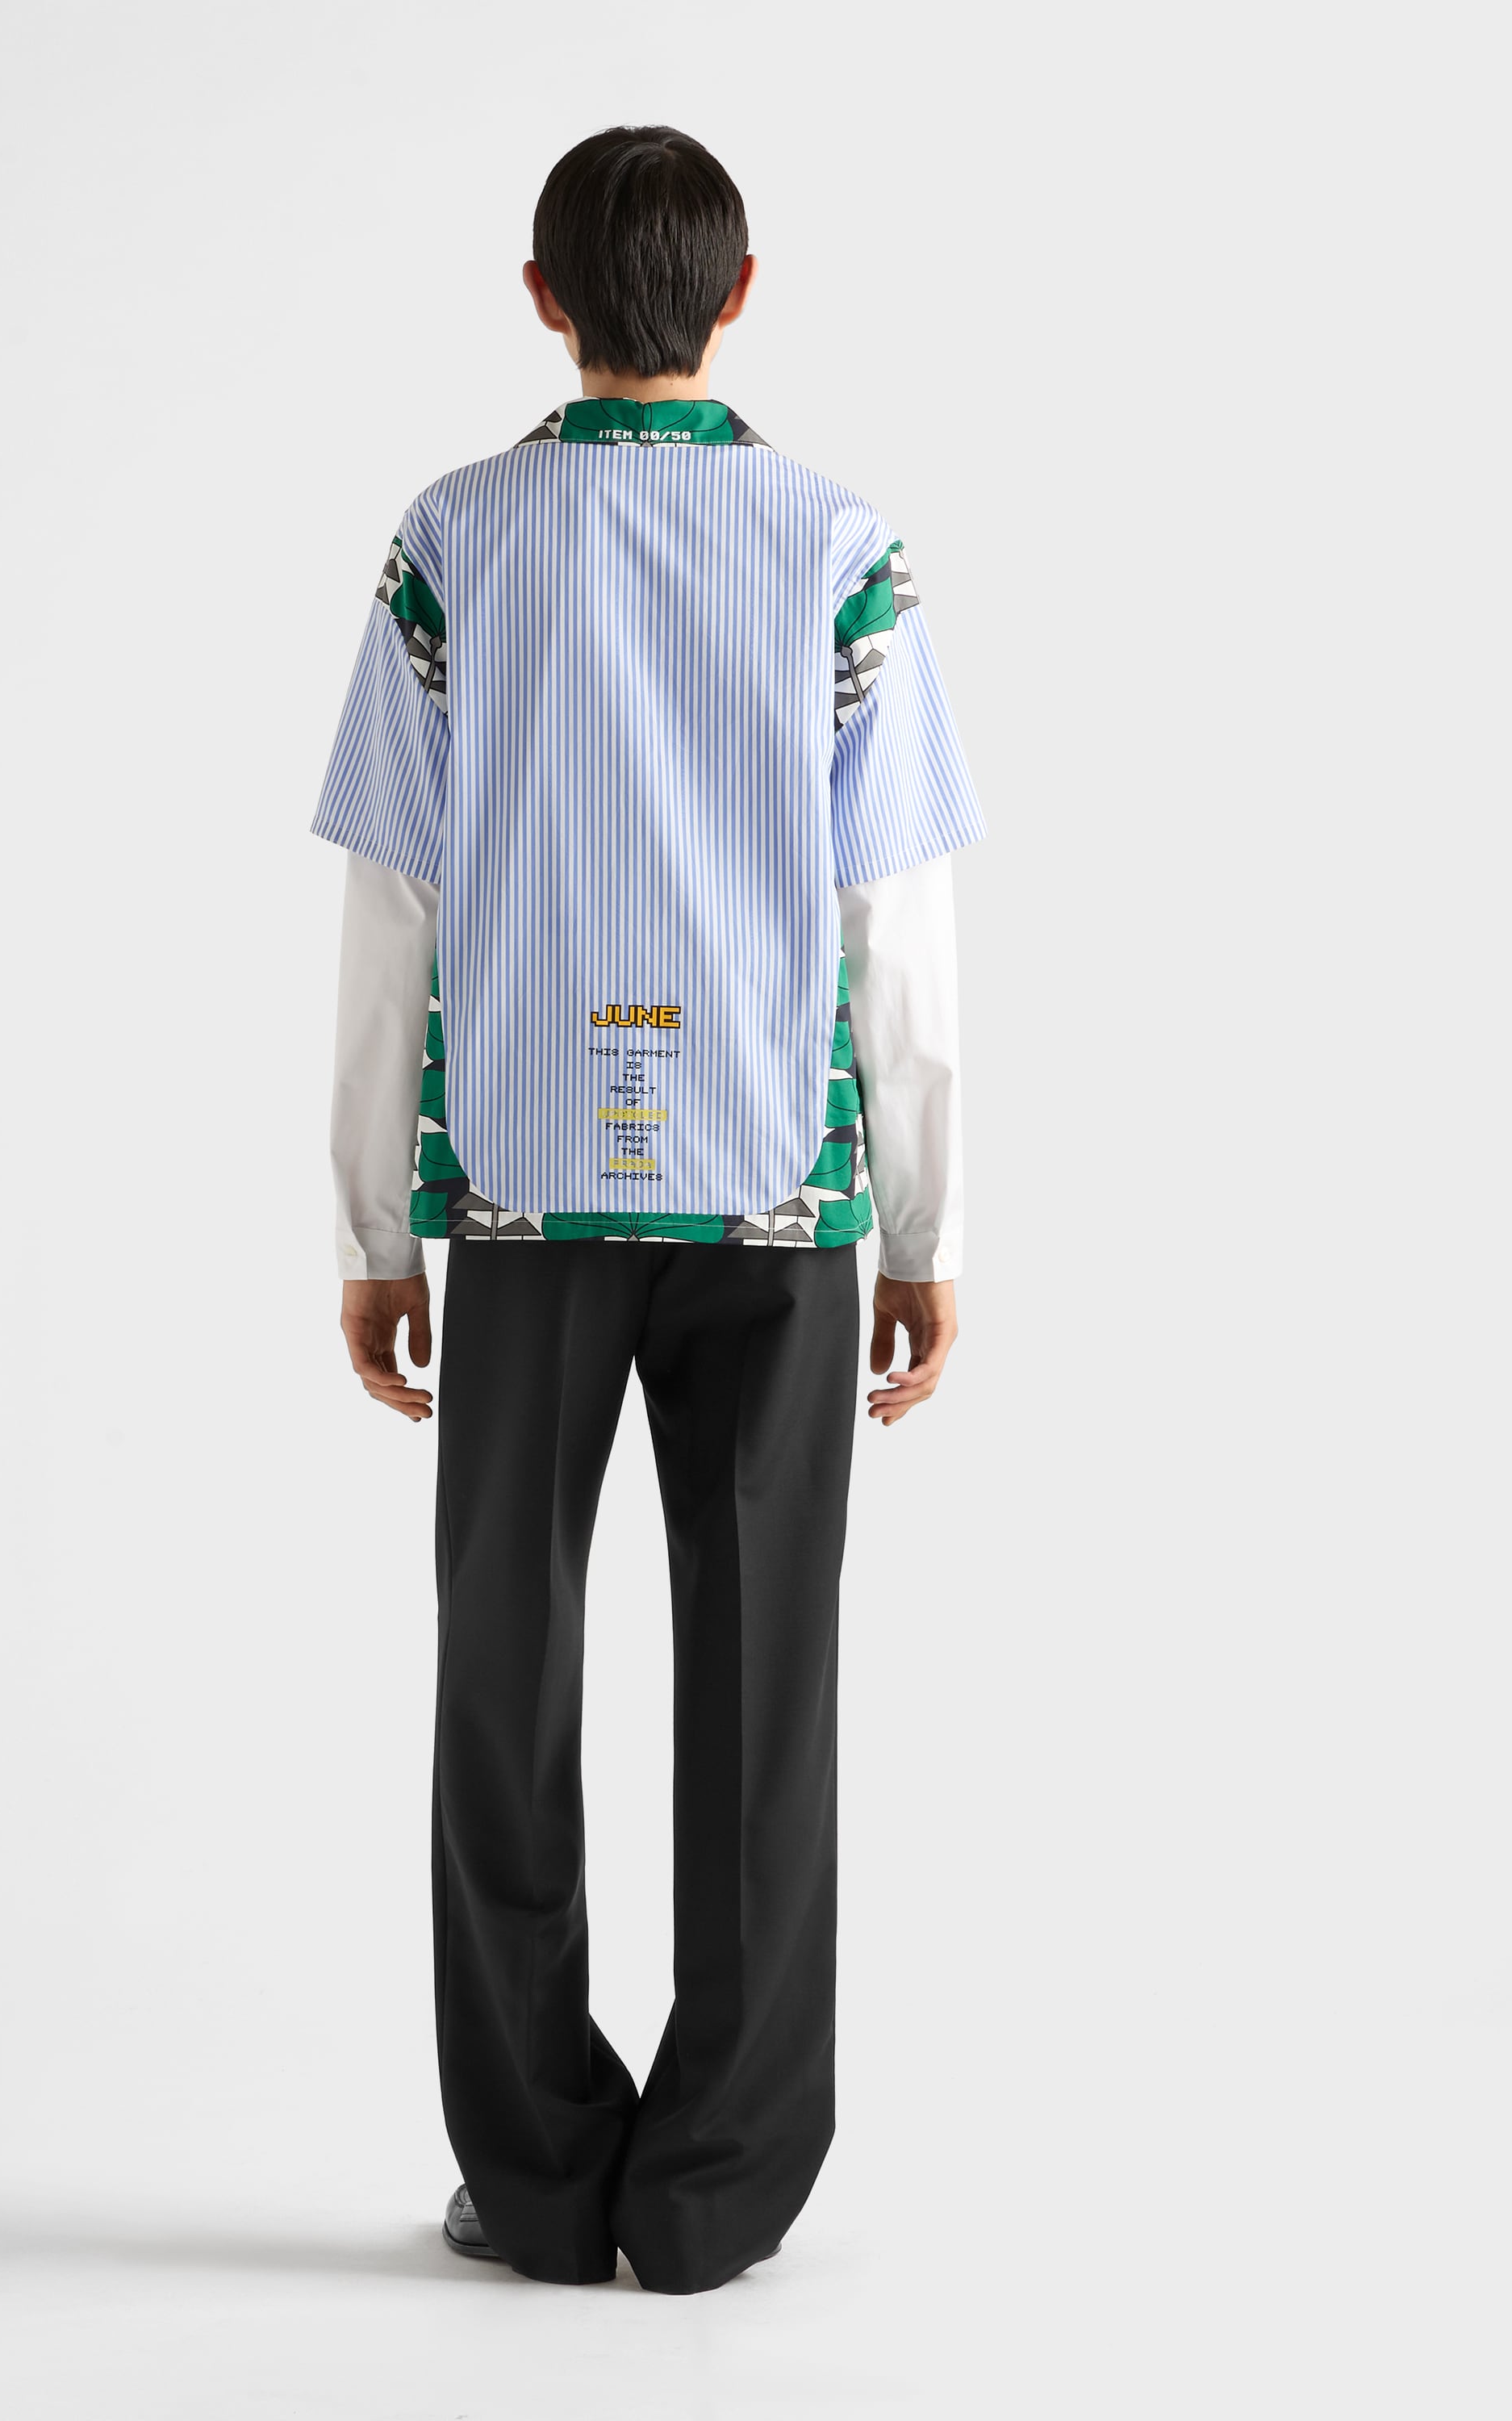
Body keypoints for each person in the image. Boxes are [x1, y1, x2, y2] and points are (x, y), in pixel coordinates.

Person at [311, 124, 984, 2295]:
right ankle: (713, 2196)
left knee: (500, 1682)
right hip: (780, 1193)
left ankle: (532, 2178)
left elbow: (391, 907)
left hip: (517, 1195)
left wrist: (373, 1231)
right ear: (743, 292)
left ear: (541, 298)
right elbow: (899, 927)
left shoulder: (452, 540)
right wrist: (923, 1229)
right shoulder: (842, 550)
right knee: (768, 1682)